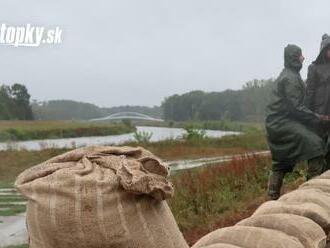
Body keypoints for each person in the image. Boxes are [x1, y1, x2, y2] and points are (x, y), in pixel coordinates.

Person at [265, 44, 329, 200]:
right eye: (300, 55)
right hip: (282, 123)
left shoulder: (291, 75)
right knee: (316, 145)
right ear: (294, 58)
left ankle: (271, 197)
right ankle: (312, 194)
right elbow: (296, 108)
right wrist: (319, 118)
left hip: (279, 123)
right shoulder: (290, 79)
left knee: (280, 162)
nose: (303, 57)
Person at [305, 34, 330, 163]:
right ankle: (313, 181)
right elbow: (309, 93)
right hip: (317, 117)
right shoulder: (313, 68)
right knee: (316, 154)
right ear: (324, 50)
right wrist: (308, 116)